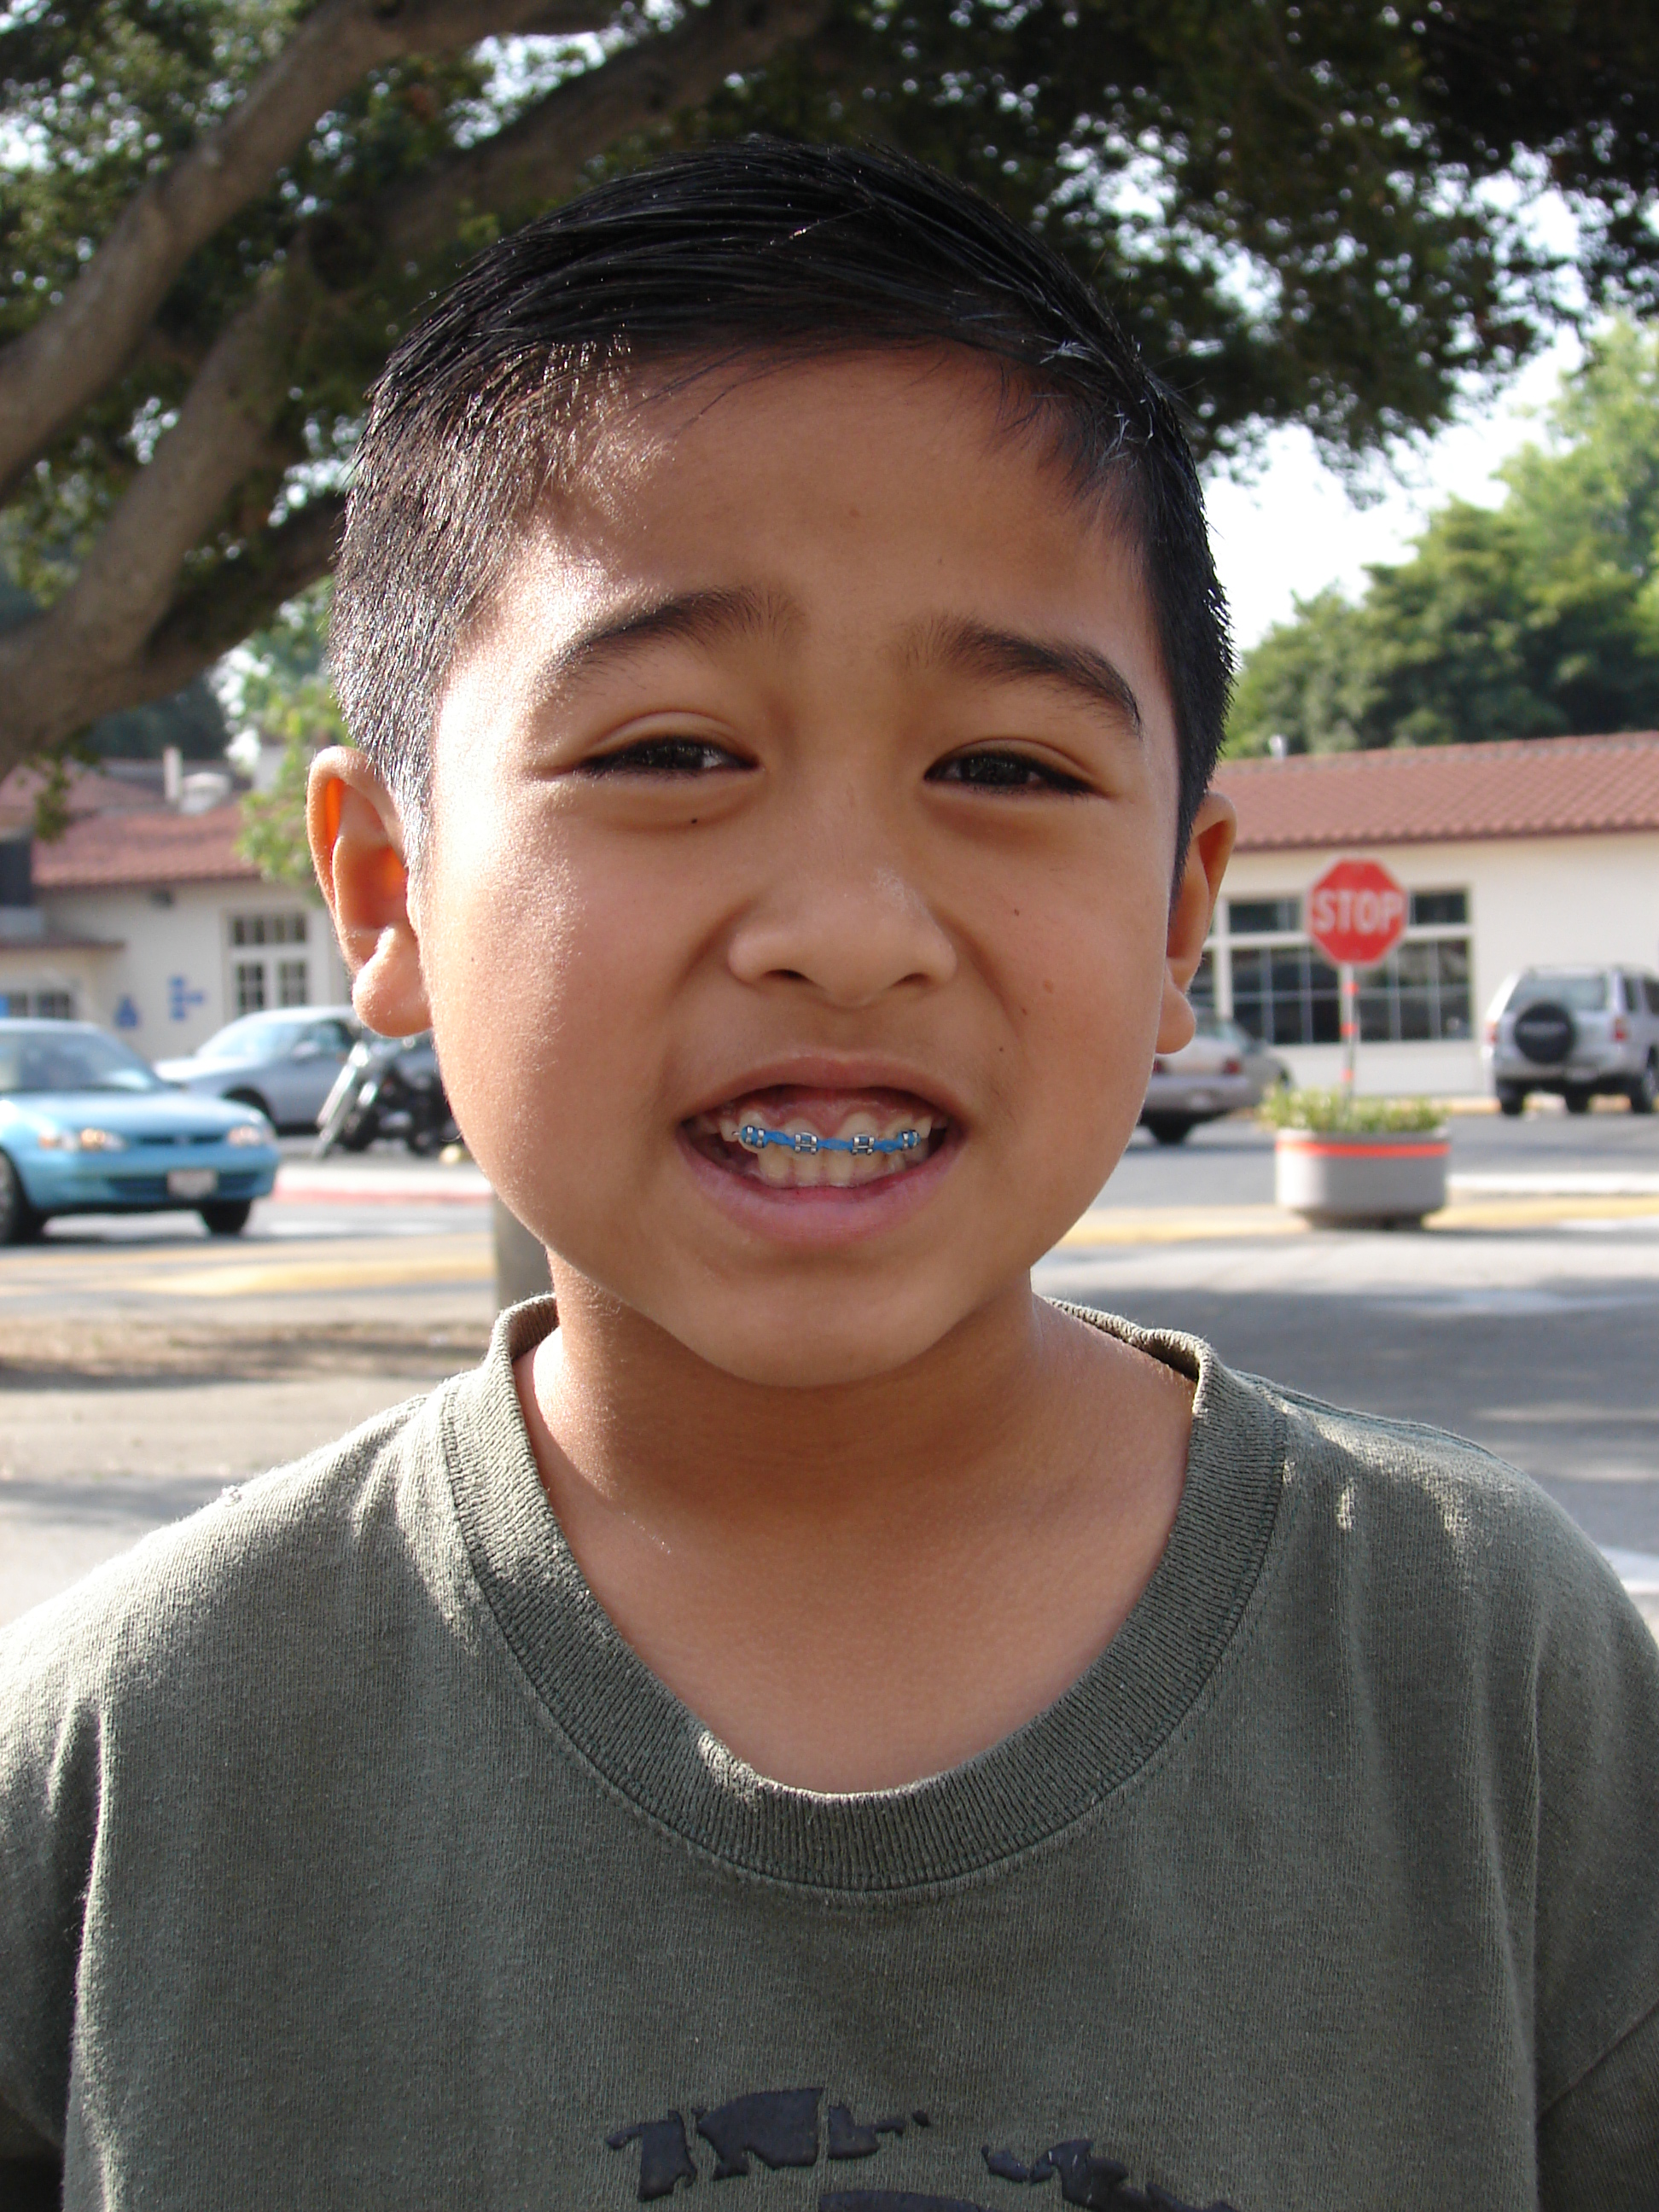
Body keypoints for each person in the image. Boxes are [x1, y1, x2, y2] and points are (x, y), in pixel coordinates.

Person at [2, 142, 1655, 2212]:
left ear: (1178, 914)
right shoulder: (128, 1759)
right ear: (385, 886)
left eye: (1006, 767)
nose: (852, 929)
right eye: (672, 751)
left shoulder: (1492, 1678)